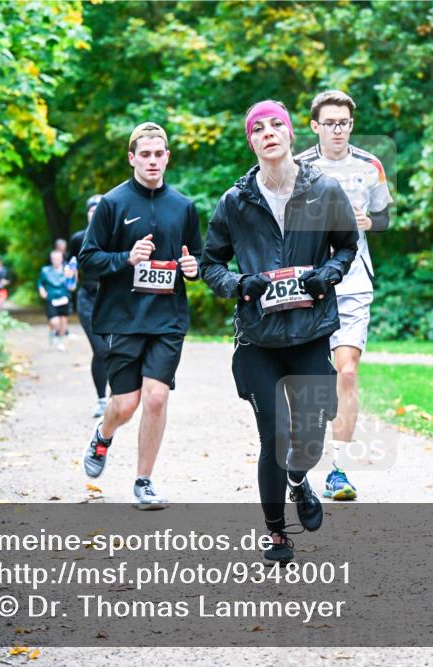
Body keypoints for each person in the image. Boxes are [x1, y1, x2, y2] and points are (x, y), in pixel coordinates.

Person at [201, 100, 358, 564]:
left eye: (276, 125)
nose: (268, 132)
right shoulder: (236, 201)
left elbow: (346, 246)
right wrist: (238, 284)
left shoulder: (324, 190)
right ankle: (276, 534)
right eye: (258, 128)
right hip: (258, 339)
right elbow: (211, 264)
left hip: (310, 332)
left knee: (308, 439)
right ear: (251, 141)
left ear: (290, 134)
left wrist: (327, 274)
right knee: (275, 435)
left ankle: (298, 480)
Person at [78, 122, 202, 509]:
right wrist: (126, 258)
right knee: (125, 404)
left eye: (158, 154)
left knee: (156, 398)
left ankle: (143, 481)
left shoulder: (183, 207)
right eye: (144, 154)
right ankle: (103, 435)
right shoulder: (113, 204)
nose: (152, 161)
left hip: (167, 317)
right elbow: (87, 259)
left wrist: (193, 268)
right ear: (132, 158)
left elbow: (198, 256)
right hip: (123, 318)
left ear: (167, 157)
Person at [296, 90, 393, 501]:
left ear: (351, 125)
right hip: (310, 281)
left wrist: (368, 222)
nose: (338, 130)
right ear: (315, 126)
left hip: (354, 280)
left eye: (344, 123)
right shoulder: (298, 166)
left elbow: (384, 217)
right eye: (330, 123)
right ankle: (299, 463)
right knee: (308, 376)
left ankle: (338, 470)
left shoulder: (371, 165)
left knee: (347, 372)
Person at [70, 195, 110, 418]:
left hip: (112, 299)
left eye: (99, 210)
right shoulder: (79, 238)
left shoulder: (116, 235)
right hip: (88, 298)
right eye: (91, 210)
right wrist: (69, 275)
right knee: (100, 349)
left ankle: (118, 397)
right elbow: (71, 263)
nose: (94, 213)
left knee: (116, 348)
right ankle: (102, 400)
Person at [37, 249, 74, 349]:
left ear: (62, 259)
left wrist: (72, 278)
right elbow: (40, 283)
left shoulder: (67, 270)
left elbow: (72, 285)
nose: (56, 261)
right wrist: (41, 290)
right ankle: (52, 331)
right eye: (54, 259)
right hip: (51, 299)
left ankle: (60, 342)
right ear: (51, 259)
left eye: (58, 258)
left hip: (64, 298)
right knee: (54, 321)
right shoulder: (45, 270)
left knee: (63, 322)